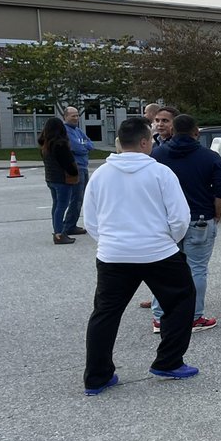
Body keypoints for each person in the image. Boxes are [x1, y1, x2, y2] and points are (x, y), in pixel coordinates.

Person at [82, 117, 198, 395]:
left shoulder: (100, 174)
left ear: (120, 142)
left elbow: (90, 219)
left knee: (105, 313)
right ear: (145, 142)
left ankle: (97, 377)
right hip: (158, 251)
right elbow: (180, 217)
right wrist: (168, 240)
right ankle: (169, 361)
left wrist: (110, 241)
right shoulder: (160, 173)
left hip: (113, 254)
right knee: (181, 301)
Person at [150, 114, 221, 333]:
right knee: (197, 268)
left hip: (166, 220)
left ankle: (160, 317)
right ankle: (193, 317)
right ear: (197, 132)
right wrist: (216, 213)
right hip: (199, 217)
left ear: (172, 130)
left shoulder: (157, 155)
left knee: (164, 269)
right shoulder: (209, 156)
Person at [39, 117, 80, 245]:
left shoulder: (45, 144)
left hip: (51, 178)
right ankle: (59, 234)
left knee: (56, 205)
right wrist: (75, 172)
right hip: (62, 179)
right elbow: (68, 163)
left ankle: (58, 230)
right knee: (62, 206)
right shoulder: (60, 145)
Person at [62, 106, 94, 236]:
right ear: (65, 117)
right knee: (76, 198)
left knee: (81, 197)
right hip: (75, 168)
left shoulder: (78, 131)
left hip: (83, 166)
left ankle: (70, 224)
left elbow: (90, 144)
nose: (76, 118)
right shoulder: (66, 131)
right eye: (73, 116)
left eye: (77, 115)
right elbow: (76, 148)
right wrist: (83, 146)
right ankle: (69, 226)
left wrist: (84, 145)